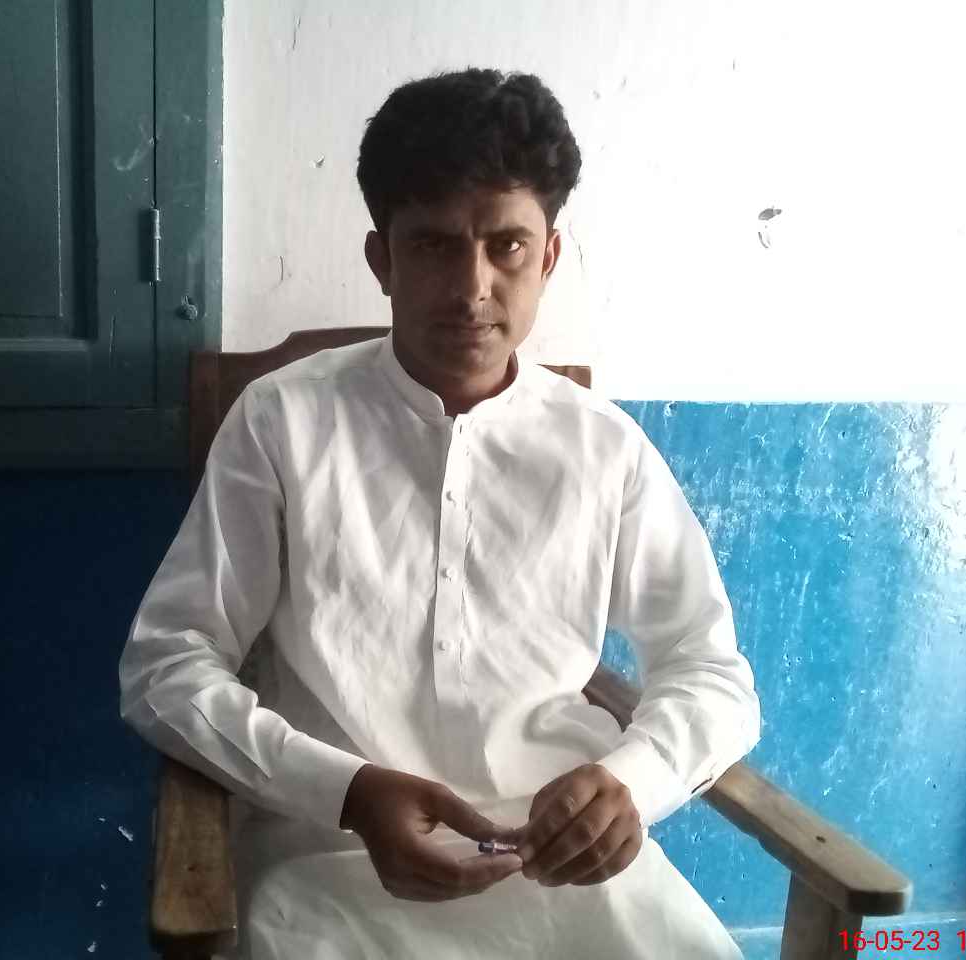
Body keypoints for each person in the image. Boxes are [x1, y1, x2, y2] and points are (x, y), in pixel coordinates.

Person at [119, 67, 761, 959]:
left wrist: (635, 781)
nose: (471, 288)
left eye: (506, 246)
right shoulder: (281, 422)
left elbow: (710, 669)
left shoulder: (604, 449)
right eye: (432, 245)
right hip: (329, 865)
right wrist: (347, 792)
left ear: (548, 257)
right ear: (381, 258)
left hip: (567, 876)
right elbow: (167, 666)